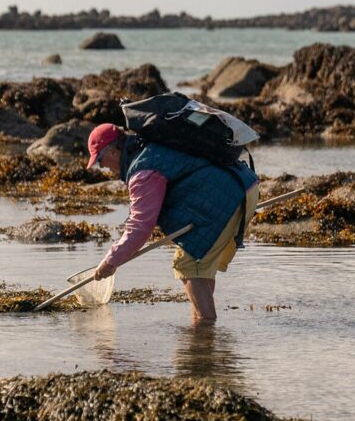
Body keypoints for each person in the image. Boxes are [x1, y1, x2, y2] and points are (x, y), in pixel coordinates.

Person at [86, 123, 259, 324]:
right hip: (244, 187)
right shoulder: (150, 147)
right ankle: (202, 328)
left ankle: (204, 336)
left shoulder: (143, 171)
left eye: (100, 160)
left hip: (226, 200)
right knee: (199, 265)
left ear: (114, 151)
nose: (104, 167)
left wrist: (110, 261)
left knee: (187, 264)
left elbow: (141, 226)